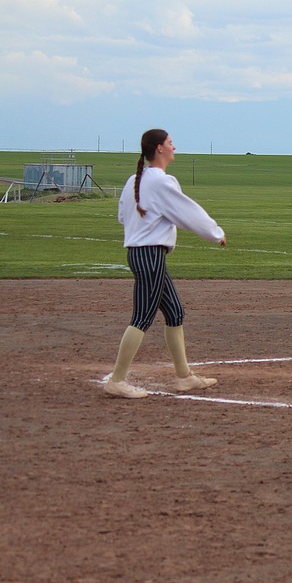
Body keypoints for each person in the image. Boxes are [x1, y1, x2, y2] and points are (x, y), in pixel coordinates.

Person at [102, 129, 225, 399]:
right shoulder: (161, 181)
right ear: (159, 148)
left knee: (175, 312)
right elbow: (188, 212)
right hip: (149, 255)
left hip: (143, 254)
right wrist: (216, 233)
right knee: (142, 317)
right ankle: (117, 379)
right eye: (170, 143)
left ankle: (184, 377)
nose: (174, 147)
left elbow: (123, 217)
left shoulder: (135, 180)